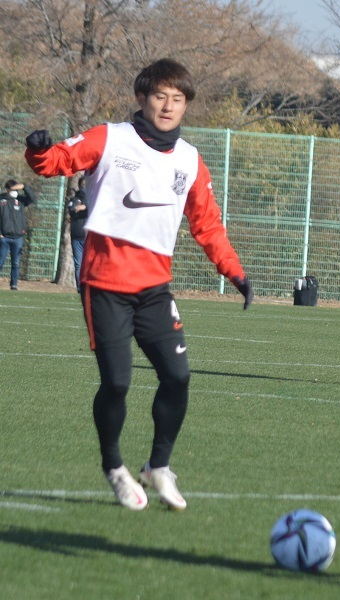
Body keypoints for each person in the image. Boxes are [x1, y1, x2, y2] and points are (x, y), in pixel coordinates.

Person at [24, 58, 254, 512]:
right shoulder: (109, 138)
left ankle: (157, 466)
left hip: (154, 290)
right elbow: (58, 162)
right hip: (104, 285)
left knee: (178, 376)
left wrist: (235, 272)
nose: (168, 106)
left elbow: (207, 225)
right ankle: (114, 467)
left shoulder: (189, 160)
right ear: (141, 98)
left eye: (177, 99)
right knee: (117, 383)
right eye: (160, 96)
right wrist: (38, 150)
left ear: (185, 105)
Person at [0, 179, 37, 290]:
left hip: (18, 238)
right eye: (13, 189)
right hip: (4, 237)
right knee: (1, 261)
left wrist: (25, 187)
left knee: (16, 263)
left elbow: (32, 199)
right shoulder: (1, 200)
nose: (14, 192)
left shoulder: (20, 200)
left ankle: (14, 284)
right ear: (7, 189)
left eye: (16, 189)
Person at [67, 176, 88, 292]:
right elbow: (72, 211)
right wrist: (81, 209)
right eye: (83, 185)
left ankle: (89, 287)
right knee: (78, 264)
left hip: (90, 237)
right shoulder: (74, 200)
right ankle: (80, 288)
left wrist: (85, 207)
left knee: (90, 264)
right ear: (80, 186)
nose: (85, 187)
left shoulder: (92, 199)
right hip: (77, 236)